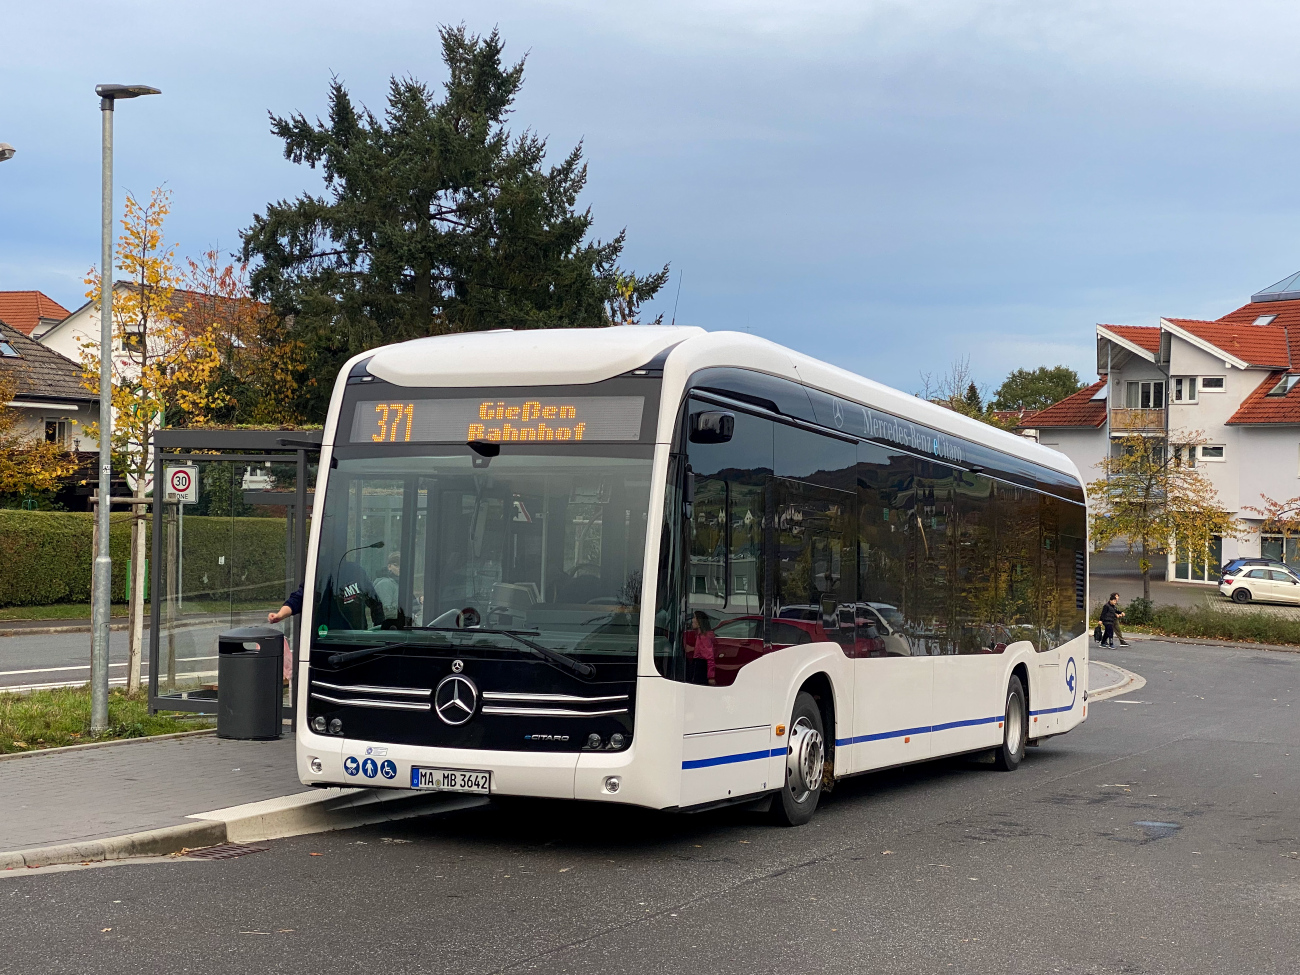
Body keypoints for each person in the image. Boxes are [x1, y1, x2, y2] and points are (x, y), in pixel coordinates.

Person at [687, 610, 717, 684]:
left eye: (694, 617)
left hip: (700, 667)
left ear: (699, 622)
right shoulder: (699, 635)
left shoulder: (704, 637)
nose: (692, 620)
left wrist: (711, 677)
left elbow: (710, 657)